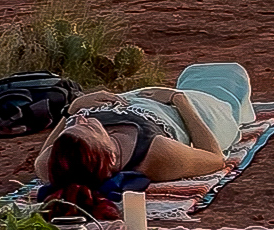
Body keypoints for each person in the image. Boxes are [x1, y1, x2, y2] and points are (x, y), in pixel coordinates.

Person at [33, 87, 229, 220]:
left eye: (72, 124)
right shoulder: (156, 154)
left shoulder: (56, 159)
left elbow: (47, 151)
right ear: (110, 157)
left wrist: (72, 109)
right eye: (88, 128)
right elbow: (215, 158)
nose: (81, 119)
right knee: (230, 80)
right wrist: (179, 99)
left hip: (134, 96)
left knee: (193, 75)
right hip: (182, 107)